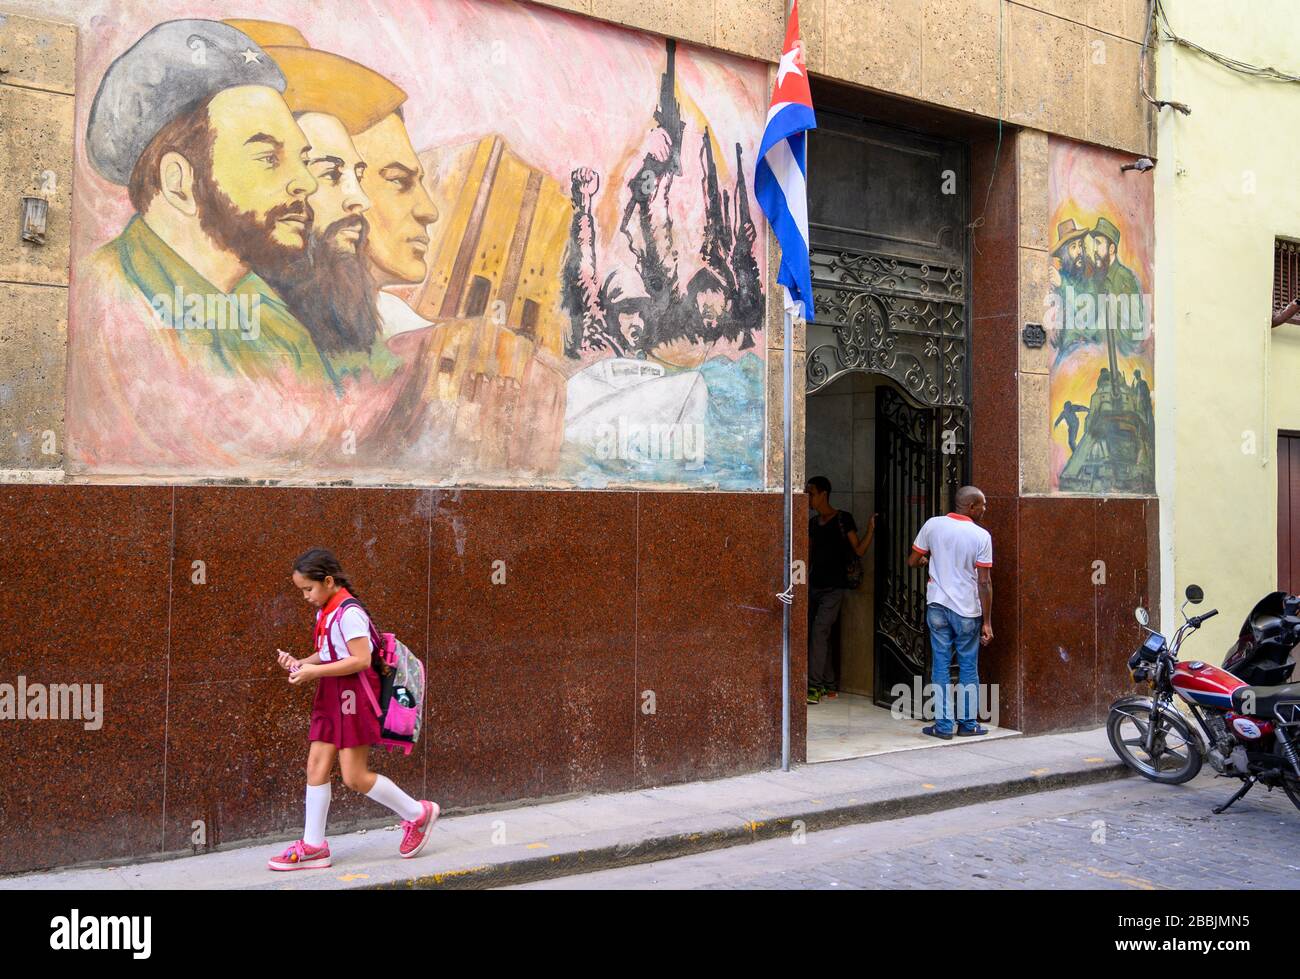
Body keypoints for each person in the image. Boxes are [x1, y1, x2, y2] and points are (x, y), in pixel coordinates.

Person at [269, 547, 438, 870]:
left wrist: (312, 672)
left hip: (354, 697)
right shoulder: (326, 610)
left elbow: (360, 659)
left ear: (328, 581)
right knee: (316, 765)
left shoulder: (349, 613)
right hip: (332, 693)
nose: (305, 596)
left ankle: (419, 814)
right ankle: (314, 846)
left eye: (308, 589)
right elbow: (330, 652)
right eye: (302, 590)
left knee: (355, 776)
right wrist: (301, 663)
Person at [906, 486, 993, 739]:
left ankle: (943, 726)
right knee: (968, 667)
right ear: (971, 507)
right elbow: (984, 582)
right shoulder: (981, 536)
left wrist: (926, 561)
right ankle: (967, 724)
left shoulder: (933, 525)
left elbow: (912, 560)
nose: (985, 509)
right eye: (983, 505)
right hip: (967, 609)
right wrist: (987, 621)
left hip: (937, 607)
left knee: (941, 666)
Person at [805, 476, 876, 705]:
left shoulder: (843, 519)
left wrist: (871, 530)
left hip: (833, 588)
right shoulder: (813, 524)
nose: (808, 498)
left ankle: (814, 686)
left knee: (818, 633)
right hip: (814, 585)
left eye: (811, 493)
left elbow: (859, 550)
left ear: (824, 493)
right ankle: (828, 684)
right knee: (819, 635)